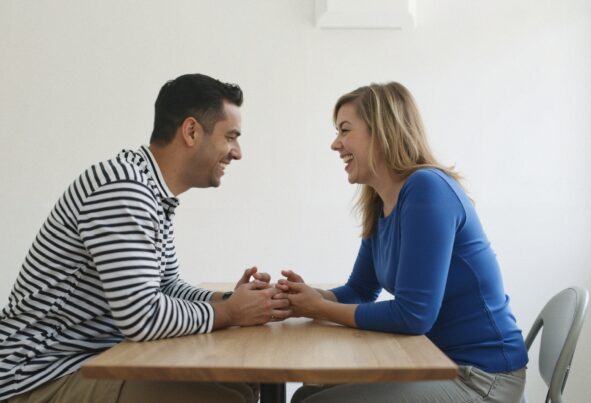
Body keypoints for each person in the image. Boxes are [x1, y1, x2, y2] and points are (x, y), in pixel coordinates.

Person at [0, 73, 291, 403]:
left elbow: (166, 288)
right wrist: (232, 313)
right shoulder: (122, 189)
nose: (237, 153)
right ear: (192, 131)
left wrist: (229, 300)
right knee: (227, 399)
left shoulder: (150, 191)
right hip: (36, 376)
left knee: (237, 387)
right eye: (231, 137)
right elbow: (142, 316)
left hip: (88, 362)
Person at [276, 82, 528, 403]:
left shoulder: (427, 189)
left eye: (345, 130)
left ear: (381, 132)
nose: (335, 144)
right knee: (306, 396)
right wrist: (309, 297)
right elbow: (360, 291)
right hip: (437, 363)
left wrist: (320, 308)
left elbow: (414, 315)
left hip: (482, 378)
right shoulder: (380, 202)